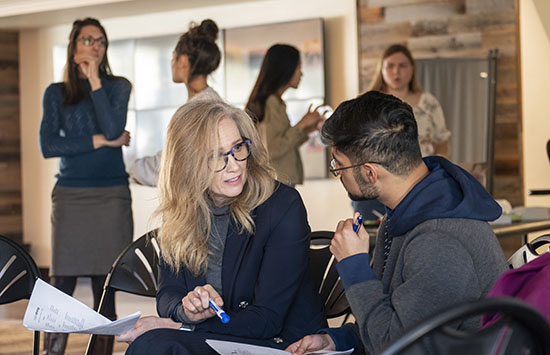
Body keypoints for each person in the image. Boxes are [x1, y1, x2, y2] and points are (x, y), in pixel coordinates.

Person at [286, 91, 508, 354]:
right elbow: (397, 318)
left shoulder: (439, 241)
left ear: (370, 173)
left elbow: (396, 347)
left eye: (339, 166)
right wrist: (339, 340)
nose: (338, 174)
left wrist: (354, 266)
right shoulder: (408, 208)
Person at [118, 100, 327, 354]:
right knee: (151, 344)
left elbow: (267, 320)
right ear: (188, 163)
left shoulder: (282, 205)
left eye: (237, 148)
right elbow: (168, 294)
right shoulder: (185, 212)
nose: (235, 164)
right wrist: (186, 309)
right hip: (221, 337)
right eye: (217, 156)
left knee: (156, 345)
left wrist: (180, 327)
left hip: (283, 343)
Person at [39, 17, 133, 355]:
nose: (93, 47)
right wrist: (100, 141)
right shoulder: (55, 93)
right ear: (73, 45)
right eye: (85, 40)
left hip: (111, 197)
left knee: (104, 288)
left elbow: (113, 130)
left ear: (105, 49)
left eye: (100, 41)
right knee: (60, 287)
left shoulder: (118, 86)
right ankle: (52, 352)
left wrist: (94, 81)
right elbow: (49, 146)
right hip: (70, 195)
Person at [354, 44, 452, 222]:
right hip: (377, 187)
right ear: (381, 69)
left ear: (412, 69)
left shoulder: (428, 103)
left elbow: (442, 142)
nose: (396, 72)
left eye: (402, 65)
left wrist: (435, 175)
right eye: (390, 66)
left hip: (420, 186)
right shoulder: (367, 103)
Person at [130, 19, 222, 186]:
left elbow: (172, 164)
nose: (171, 63)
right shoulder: (210, 101)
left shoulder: (199, 108)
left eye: (173, 57)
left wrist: (136, 169)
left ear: (183, 61)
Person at [245, 44, 324, 186]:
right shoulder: (271, 103)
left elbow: (284, 144)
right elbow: (274, 149)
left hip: (281, 181)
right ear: (286, 68)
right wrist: (302, 124)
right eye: (299, 67)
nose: (302, 73)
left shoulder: (276, 102)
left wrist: (305, 129)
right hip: (277, 182)